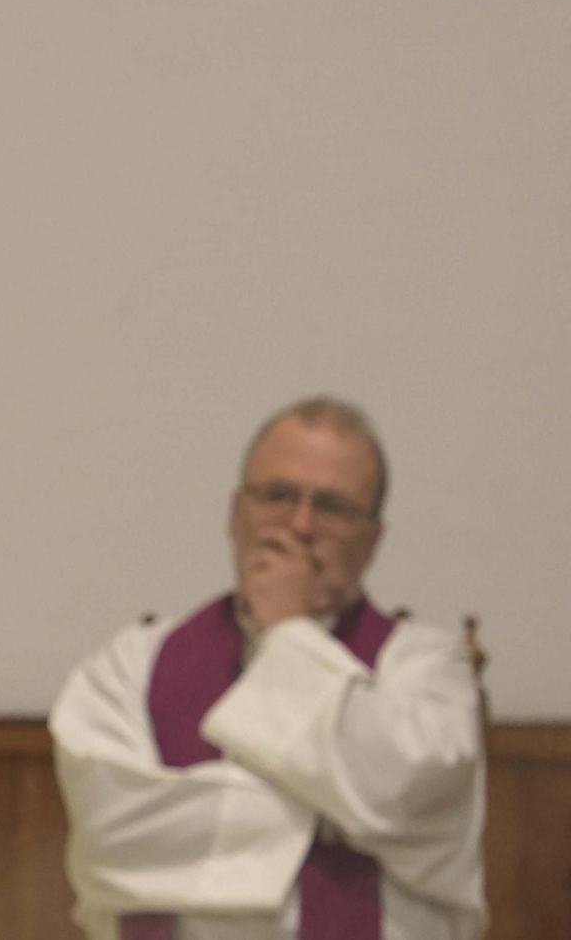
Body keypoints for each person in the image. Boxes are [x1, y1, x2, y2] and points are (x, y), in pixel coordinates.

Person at [51, 397, 485, 940]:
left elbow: (405, 800)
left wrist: (286, 629)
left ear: (372, 539)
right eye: (277, 495)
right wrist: (333, 812)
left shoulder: (425, 671)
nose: (300, 524)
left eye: (332, 507)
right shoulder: (131, 667)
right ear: (235, 514)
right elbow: (113, 838)